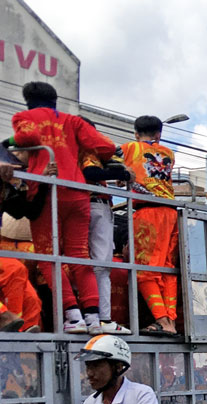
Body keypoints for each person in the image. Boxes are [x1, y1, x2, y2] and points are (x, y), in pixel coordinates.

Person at [10, 81, 115, 333]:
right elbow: (106, 147)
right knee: (80, 256)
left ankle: (73, 315)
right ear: (55, 100)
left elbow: (28, 137)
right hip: (78, 193)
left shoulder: (24, 117)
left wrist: (15, 140)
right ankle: (93, 317)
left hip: (47, 191)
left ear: (27, 100)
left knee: (49, 258)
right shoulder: (73, 121)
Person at [121, 115, 178, 336]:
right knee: (166, 270)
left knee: (144, 272)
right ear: (159, 134)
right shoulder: (169, 154)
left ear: (136, 133)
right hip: (170, 212)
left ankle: (162, 321)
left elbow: (112, 163)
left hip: (148, 213)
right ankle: (171, 321)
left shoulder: (129, 148)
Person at [79, 117, 132, 335]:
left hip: (78, 205)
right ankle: (102, 319)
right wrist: (124, 174)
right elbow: (93, 173)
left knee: (80, 262)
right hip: (94, 204)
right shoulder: (88, 150)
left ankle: (88, 318)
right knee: (101, 265)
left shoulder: (68, 150)